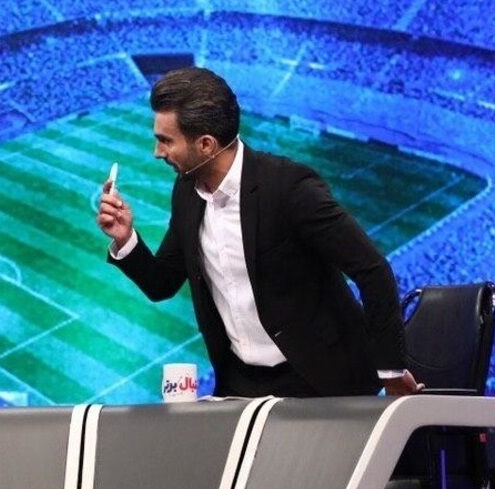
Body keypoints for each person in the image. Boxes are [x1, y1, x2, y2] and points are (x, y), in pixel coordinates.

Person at [96, 67, 423, 398]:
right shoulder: (187, 193)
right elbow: (162, 283)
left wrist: (391, 371)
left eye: (166, 140)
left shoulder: (289, 188)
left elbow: (372, 270)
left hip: (320, 381)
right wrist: (125, 238)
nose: (157, 152)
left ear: (206, 144)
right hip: (243, 385)